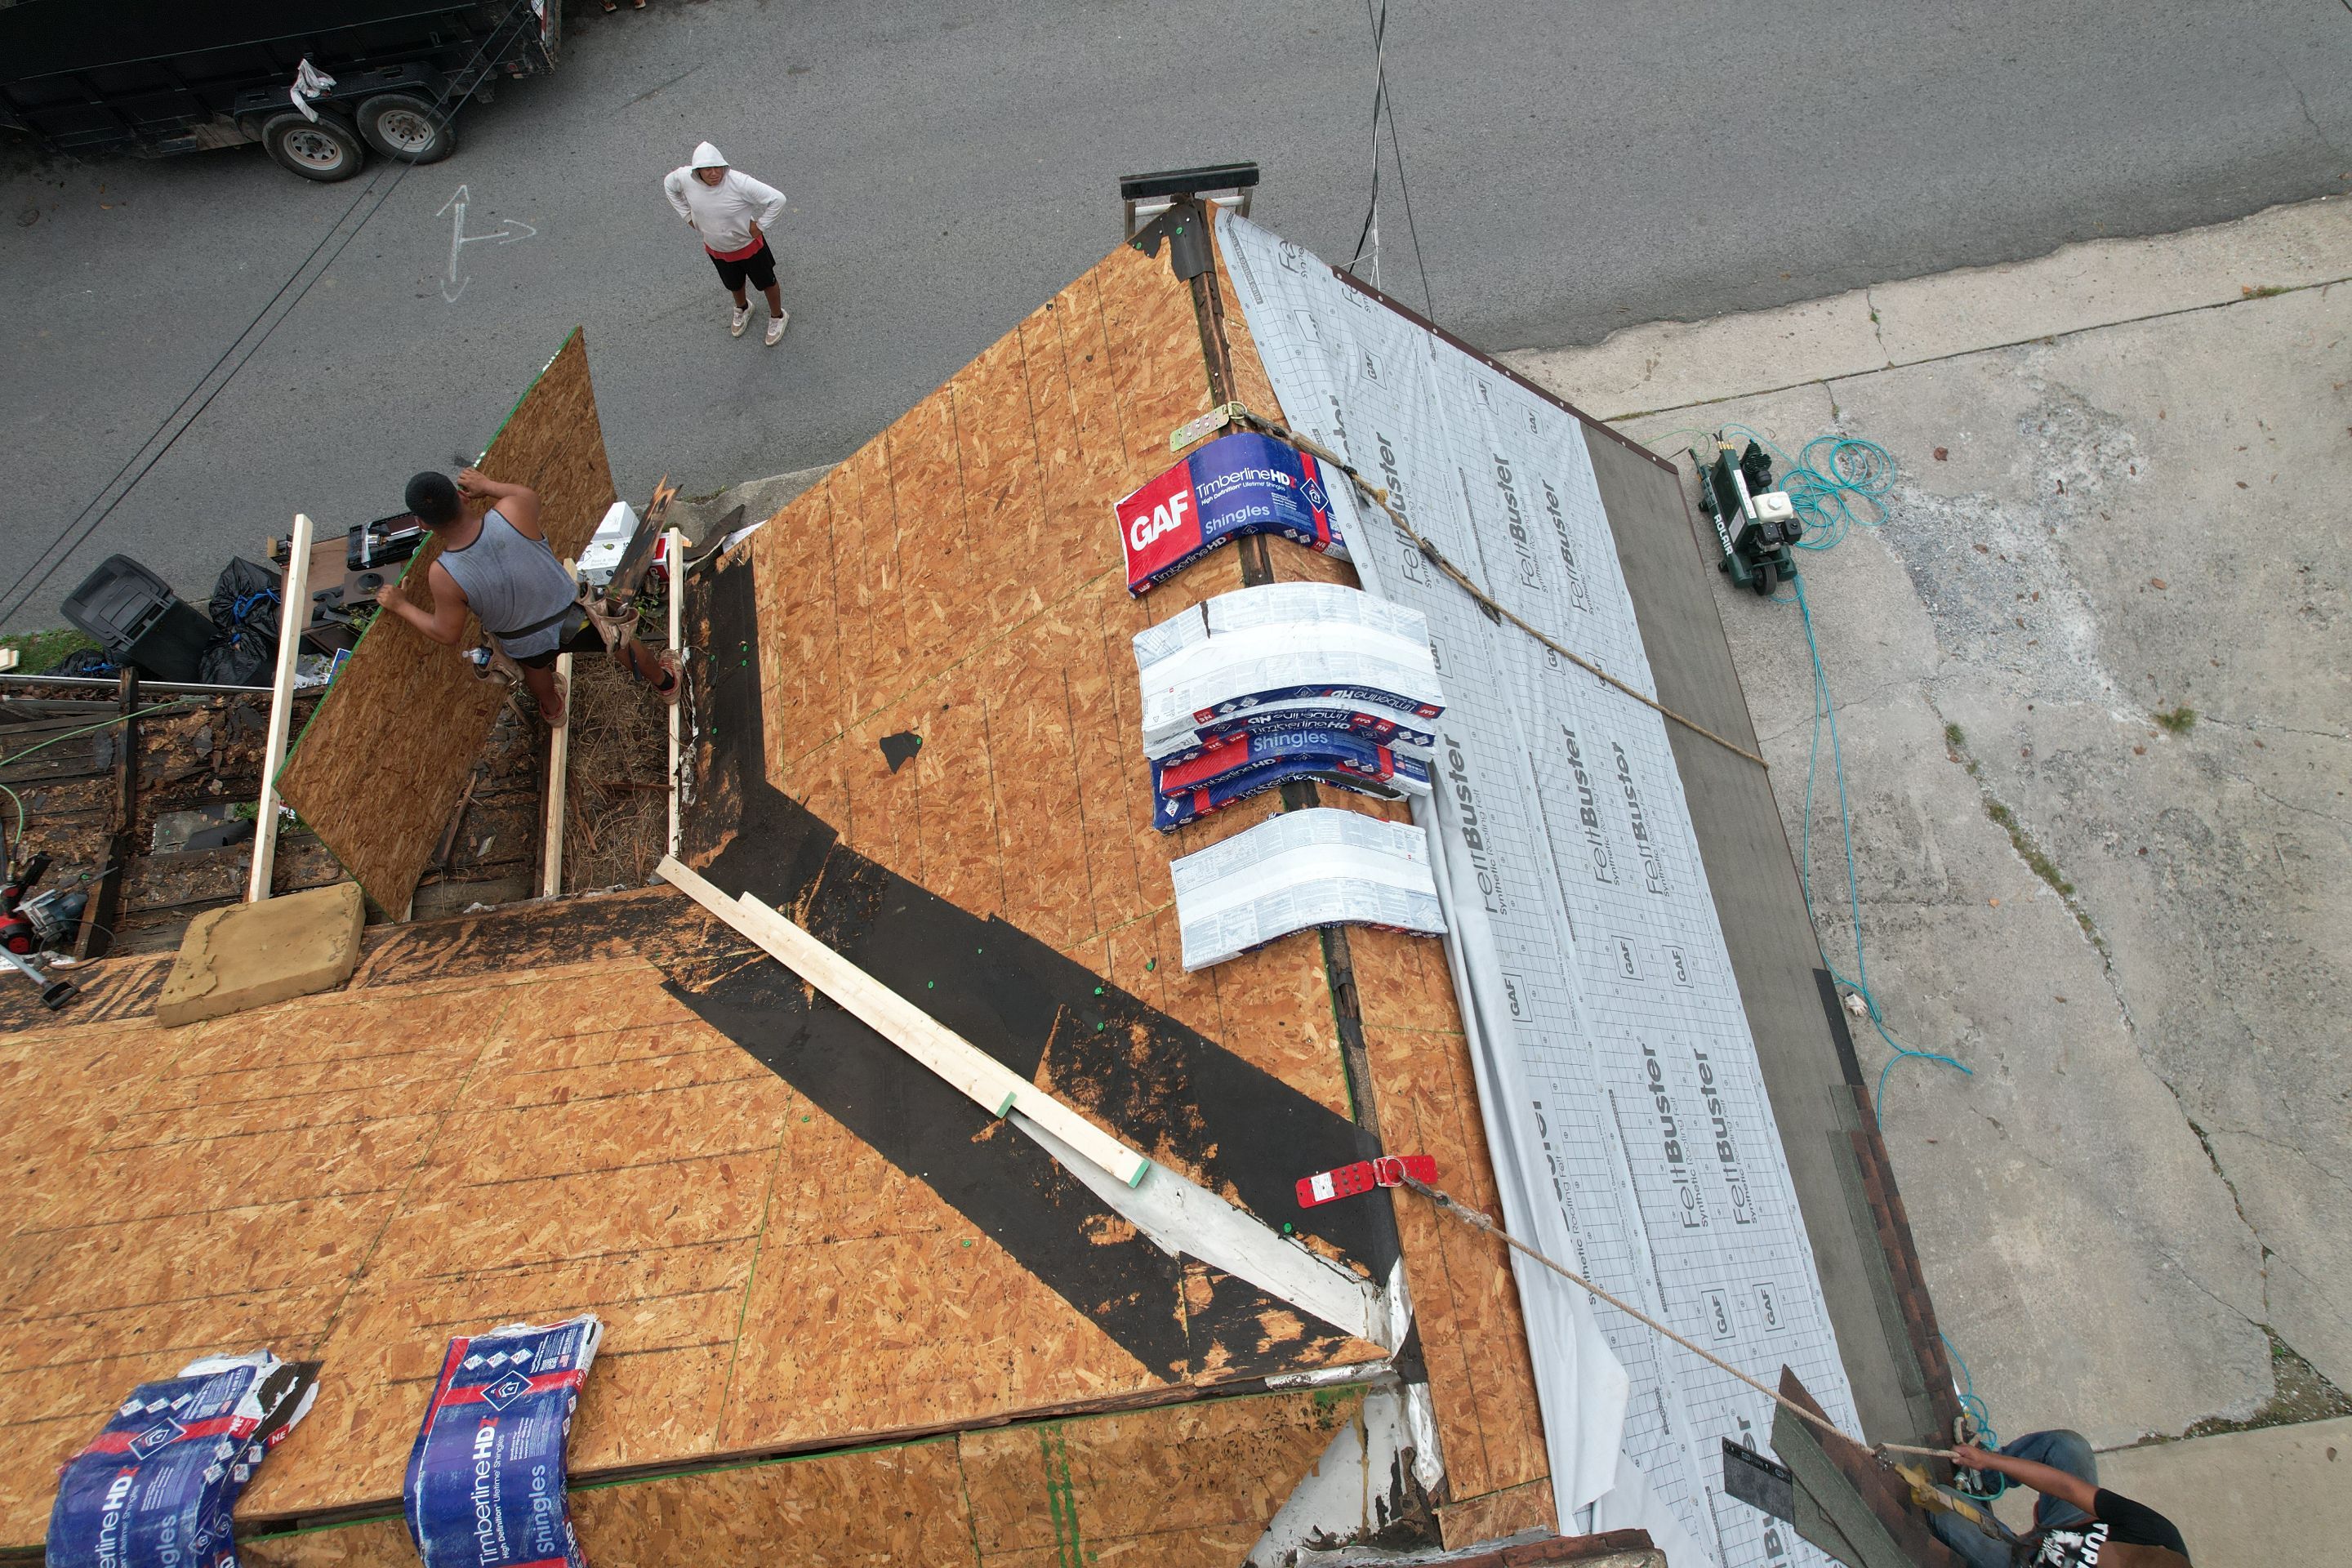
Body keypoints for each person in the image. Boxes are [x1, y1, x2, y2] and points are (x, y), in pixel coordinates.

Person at [374, 469, 679, 728]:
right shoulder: (513, 509)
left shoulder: (443, 574)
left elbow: (446, 632)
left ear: (424, 524)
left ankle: (554, 709)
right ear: (464, 496)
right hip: (576, 619)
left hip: (524, 642)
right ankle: (666, 683)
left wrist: (401, 605)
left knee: (536, 669)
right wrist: (487, 485)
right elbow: (527, 494)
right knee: (618, 640)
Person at [1928, 1432, 2191, 1567]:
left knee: (1937, 1502)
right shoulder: (2161, 1535)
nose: (2100, 1551)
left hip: (2021, 1563)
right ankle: (1985, 1477)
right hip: (2064, 1528)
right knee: (2068, 1448)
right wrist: (1989, 1461)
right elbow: (2069, 1488)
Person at [662, 142, 789, 345]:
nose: (714, 173)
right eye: (707, 170)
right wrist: (687, 216)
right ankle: (743, 308)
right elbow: (669, 185)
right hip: (717, 248)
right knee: (733, 283)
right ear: (697, 172)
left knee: (767, 282)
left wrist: (760, 227)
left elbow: (778, 200)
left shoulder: (740, 183)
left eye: (717, 168)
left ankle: (777, 316)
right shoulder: (684, 178)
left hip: (749, 247)